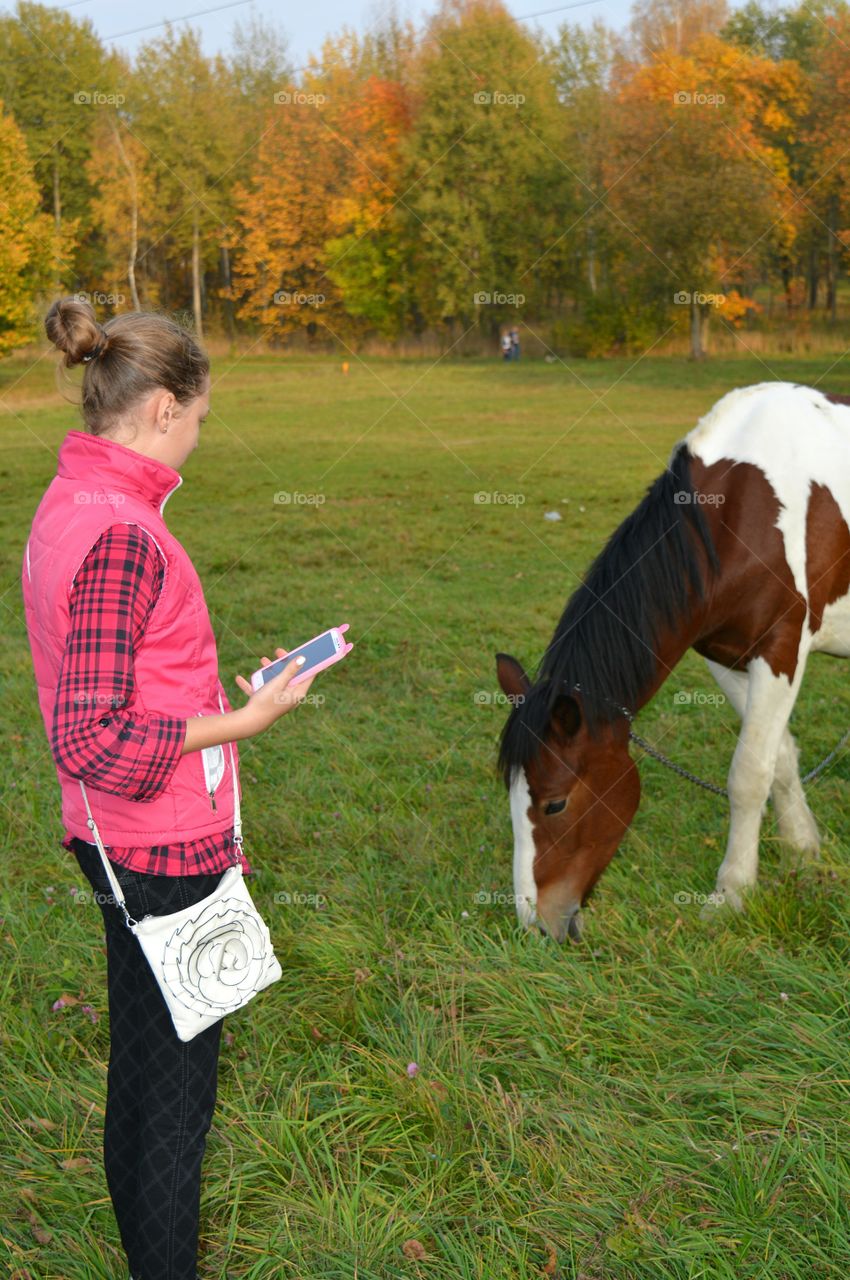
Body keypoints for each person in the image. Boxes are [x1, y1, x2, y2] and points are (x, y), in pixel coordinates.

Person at [21, 297, 318, 1280]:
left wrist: (217, 691)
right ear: (158, 407)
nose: (198, 435)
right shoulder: (121, 533)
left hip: (120, 837)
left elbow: (119, 674)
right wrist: (247, 720)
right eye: (197, 416)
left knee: (147, 1070)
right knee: (175, 1094)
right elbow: (93, 731)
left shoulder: (77, 500)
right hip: (158, 847)